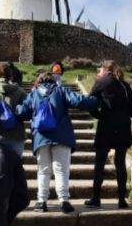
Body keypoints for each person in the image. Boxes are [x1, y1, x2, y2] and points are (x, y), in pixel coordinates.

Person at [15, 71, 96, 213]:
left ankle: (41, 202)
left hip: (41, 137)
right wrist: (96, 100)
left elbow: (22, 112)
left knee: (43, 171)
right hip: (61, 136)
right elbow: (79, 101)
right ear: (53, 80)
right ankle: (64, 201)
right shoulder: (61, 91)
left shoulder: (33, 94)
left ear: (39, 81)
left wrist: (12, 106)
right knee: (61, 170)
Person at [85, 60, 132, 209]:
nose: (99, 72)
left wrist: (99, 115)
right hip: (123, 128)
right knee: (120, 164)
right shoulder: (125, 85)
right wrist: (123, 114)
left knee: (100, 163)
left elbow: (89, 104)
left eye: (100, 70)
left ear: (104, 69)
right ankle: (122, 200)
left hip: (106, 128)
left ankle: (96, 198)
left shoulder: (101, 83)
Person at [0, 64, 26, 159]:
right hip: (16, 134)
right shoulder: (19, 91)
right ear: (11, 76)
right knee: (16, 166)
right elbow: (27, 112)